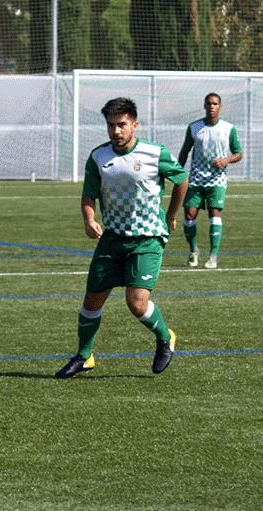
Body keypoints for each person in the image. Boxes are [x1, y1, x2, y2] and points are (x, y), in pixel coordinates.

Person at [55, 97, 187, 379]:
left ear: (134, 125)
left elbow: (182, 179)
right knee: (91, 302)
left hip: (147, 239)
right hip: (112, 240)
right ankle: (85, 355)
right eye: (111, 125)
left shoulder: (155, 153)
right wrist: (89, 219)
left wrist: (171, 214)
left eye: (122, 125)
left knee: (136, 302)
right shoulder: (99, 157)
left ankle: (166, 337)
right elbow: (89, 194)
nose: (116, 131)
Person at [177, 92, 243, 269]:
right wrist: (176, 172)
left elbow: (239, 153)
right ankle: (194, 251)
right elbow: (185, 151)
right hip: (196, 179)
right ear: (204, 106)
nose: (212, 106)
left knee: (215, 214)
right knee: (189, 216)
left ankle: (213, 256)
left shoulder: (229, 128)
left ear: (220, 107)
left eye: (215, 104)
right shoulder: (194, 127)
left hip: (217, 180)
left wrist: (226, 160)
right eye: (209, 103)